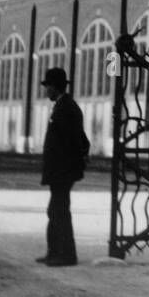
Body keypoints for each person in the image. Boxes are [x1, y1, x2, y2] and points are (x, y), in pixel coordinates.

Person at [37, 67, 89, 266]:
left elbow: (75, 140)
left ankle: (66, 255)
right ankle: (54, 252)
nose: (46, 91)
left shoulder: (66, 107)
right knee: (55, 210)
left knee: (60, 211)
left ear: (54, 87)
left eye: (48, 86)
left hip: (62, 171)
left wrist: (69, 165)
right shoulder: (63, 105)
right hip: (60, 170)